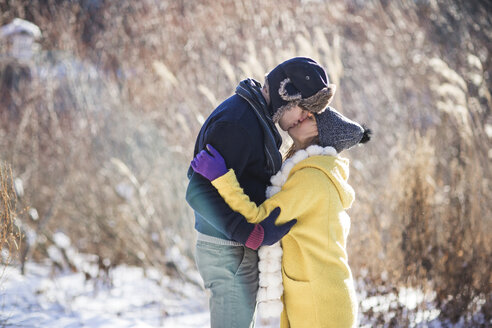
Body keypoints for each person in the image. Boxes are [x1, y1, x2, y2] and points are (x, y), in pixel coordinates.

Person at [186, 57, 336, 328]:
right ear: (286, 96)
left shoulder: (254, 116)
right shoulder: (238, 122)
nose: (303, 119)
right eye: (304, 110)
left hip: (232, 248)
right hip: (228, 249)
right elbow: (196, 191)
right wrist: (249, 233)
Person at [191, 106, 371, 328]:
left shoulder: (311, 179)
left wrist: (222, 178)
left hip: (320, 303)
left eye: (309, 116)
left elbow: (258, 217)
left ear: (319, 131)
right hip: (315, 294)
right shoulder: (314, 172)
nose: (300, 116)